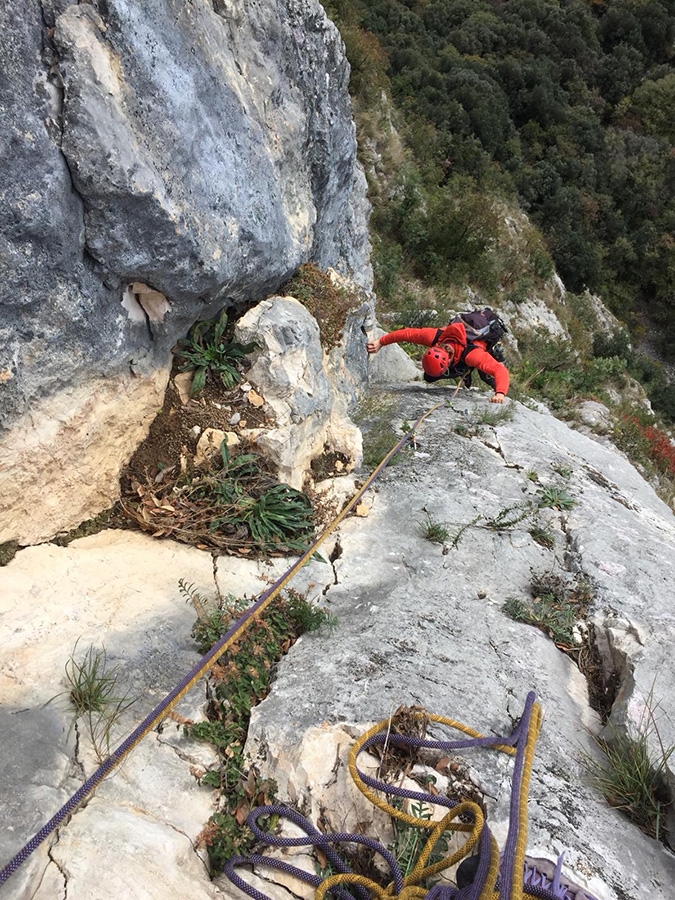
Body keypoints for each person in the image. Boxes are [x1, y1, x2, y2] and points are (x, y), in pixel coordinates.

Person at [366, 321, 509, 403]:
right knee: (429, 377)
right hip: (460, 356)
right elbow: (407, 334)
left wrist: (500, 393)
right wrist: (381, 342)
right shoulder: (434, 337)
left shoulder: (473, 355)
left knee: (486, 375)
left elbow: (500, 371)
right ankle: (464, 371)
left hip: (475, 350)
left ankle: (470, 372)